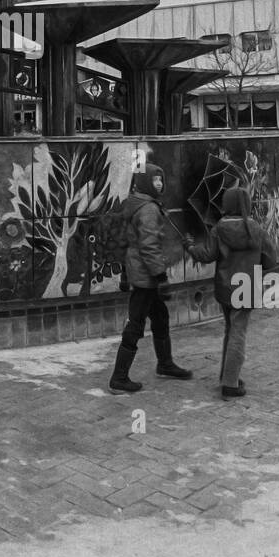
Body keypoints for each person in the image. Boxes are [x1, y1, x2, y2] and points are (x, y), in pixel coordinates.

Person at [184, 186, 277, 400]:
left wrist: (190, 247)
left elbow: (207, 255)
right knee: (239, 333)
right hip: (246, 287)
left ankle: (227, 376)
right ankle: (230, 383)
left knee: (230, 329)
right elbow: (271, 260)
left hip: (226, 287)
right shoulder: (256, 229)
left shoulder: (219, 229)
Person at [108, 162, 192, 394]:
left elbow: (125, 241)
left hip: (138, 270)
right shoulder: (148, 210)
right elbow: (149, 247)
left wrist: (125, 273)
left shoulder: (133, 203)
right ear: (145, 182)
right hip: (147, 275)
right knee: (136, 323)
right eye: (155, 180)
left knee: (160, 317)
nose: (160, 184)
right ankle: (119, 378)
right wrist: (161, 276)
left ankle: (165, 364)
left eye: (161, 180)